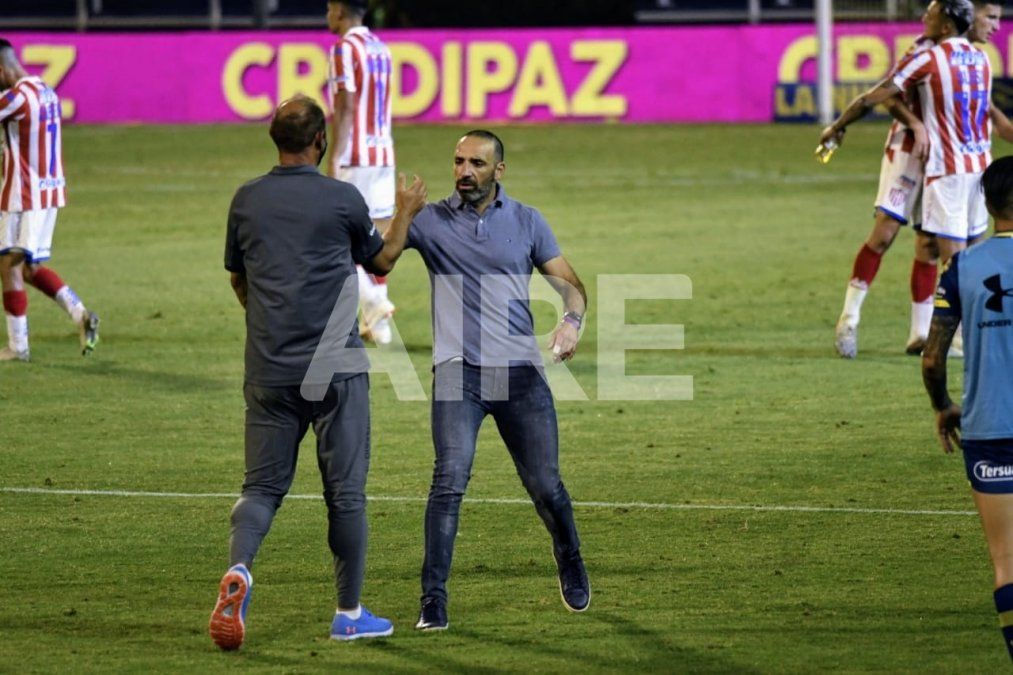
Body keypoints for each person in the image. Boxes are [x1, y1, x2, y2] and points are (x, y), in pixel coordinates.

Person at [208, 95, 427, 649]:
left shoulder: (247, 200)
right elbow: (379, 262)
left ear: (273, 138)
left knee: (260, 488)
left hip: (268, 369)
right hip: (334, 370)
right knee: (345, 495)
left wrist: (269, 321)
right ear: (321, 141)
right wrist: (405, 211)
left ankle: (241, 571)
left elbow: (239, 278)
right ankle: (348, 614)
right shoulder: (342, 198)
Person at [406, 130, 591, 631]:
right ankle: (433, 600)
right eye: (459, 161)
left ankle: (569, 557)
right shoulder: (430, 221)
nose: (465, 172)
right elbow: (375, 255)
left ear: (499, 171)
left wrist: (571, 323)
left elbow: (572, 288)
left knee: (545, 486)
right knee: (448, 481)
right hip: (457, 373)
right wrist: (403, 213)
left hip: (519, 375)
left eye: (477, 164)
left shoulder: (527, 221)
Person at [822, 0, 992, 358]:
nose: (992, 25)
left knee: (932, 246)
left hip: (944, 161)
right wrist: (915, 123)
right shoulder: (923, 51)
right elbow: (886, 95)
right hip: (908, 151)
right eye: (989, 18)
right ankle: (849, 320)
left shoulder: (973, 58)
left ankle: (921, 332)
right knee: (885, 234)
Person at [921, 155, 1013, 663]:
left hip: (989, 430)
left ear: (989, 204)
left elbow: (932, 359)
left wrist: (944, 407)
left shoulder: (964, 267)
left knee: (1007, 563)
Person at [0, 38, 98, 362]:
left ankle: (18, 347)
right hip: (49, 192)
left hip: (22, 194)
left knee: (8, 265)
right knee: (29, 267)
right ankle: (79, 312)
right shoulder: (46, 90)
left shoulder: (15, 99)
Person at [326, 0, 397, 345]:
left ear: (339, 11)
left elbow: (346, 105)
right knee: (375, 244)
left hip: (355, 158)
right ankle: (379, 328)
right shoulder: (381, 49)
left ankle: (375, 303)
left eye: (329, 8)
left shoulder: (344, 49)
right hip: (383, 153)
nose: (327, 16)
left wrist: (334, 157)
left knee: (338, 241)